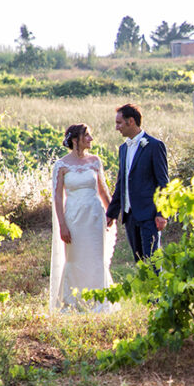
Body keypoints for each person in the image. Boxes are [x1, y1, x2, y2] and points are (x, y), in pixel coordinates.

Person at [49, 124, 118, 313]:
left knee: (96, 257)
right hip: (73, 217)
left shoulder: (95, 161)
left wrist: (112, 211)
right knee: (75, 257)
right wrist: (62, 224)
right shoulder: (61, 165)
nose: (90, 139)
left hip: (94, 216)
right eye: (86, 136)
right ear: (75, 140)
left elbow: (103, 190)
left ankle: (99, 302)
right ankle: (73, 303)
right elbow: (57, 196)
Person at [105, 103, 168, 262]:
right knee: (139, 263)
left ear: (130, 121)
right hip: (130, 216)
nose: (116, 127)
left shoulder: (154, 146)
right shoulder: (123, 149)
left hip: (149, 215)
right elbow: (121, 183)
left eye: (119, 123)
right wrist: (111, 213)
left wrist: (162, 214)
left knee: (153, 263)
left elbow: (163, 183)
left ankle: (156, 288)